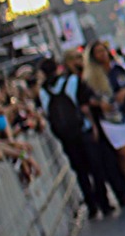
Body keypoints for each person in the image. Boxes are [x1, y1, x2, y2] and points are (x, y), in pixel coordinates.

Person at [39, 56, 114, 219]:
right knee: (95, 167)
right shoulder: (72, 81)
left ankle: (91, 206)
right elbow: (85, 106)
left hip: (66, 138)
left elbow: (47, 114)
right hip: (83, 130)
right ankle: (104, 202)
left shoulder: (43, 92)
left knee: (80, 171)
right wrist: (93, 126)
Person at [83, 41, 125, 203]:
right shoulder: (91, 78)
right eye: (97, 52)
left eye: (103, 51)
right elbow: (88, 99)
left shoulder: (119, 69)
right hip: (111, 119)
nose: (101, 55)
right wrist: (99, 104)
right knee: (122, 152)